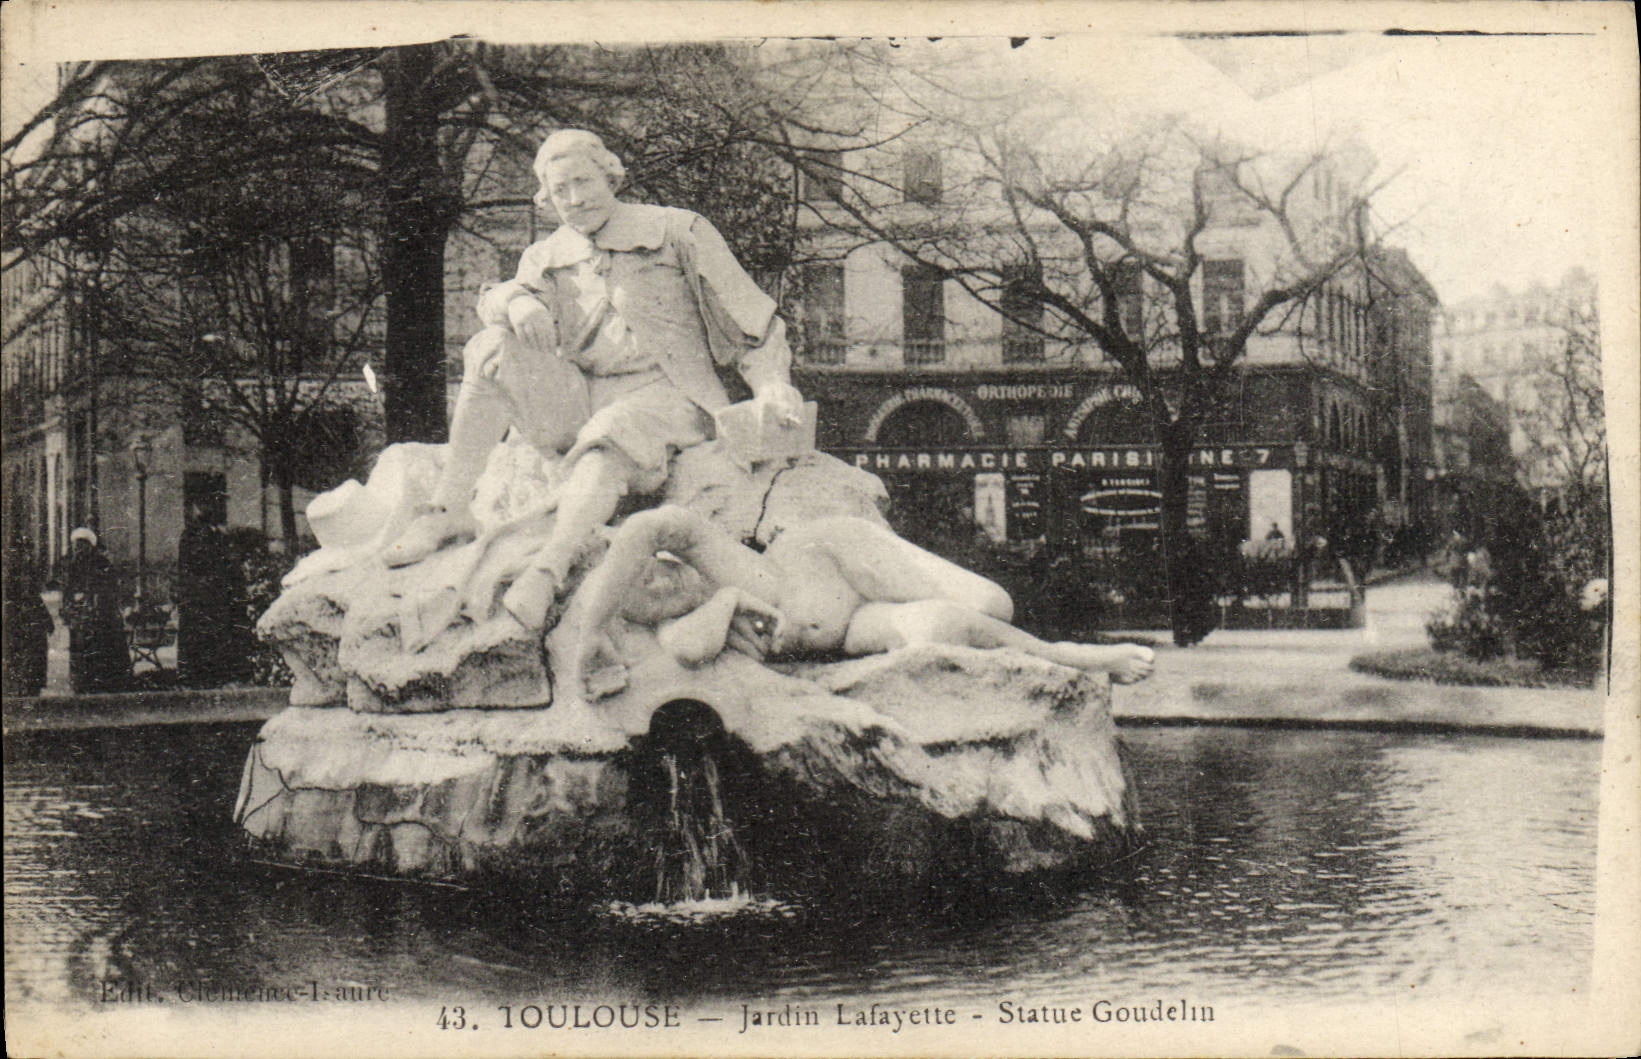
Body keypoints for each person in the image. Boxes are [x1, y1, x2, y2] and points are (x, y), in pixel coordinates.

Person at [384, 129, 804, 634]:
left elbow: (754, 328)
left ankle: (548, 571)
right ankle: (448, 509)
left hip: (668, 394)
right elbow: (495, 298)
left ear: (610, 175)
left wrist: (774, 385)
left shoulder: (677, 231)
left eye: (583, 182)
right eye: (560, 190)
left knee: (613, 432)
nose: (575, 199)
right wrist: (518, 302)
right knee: (488, 347)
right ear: (547, 196)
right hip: (579, 395)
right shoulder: (547, 254)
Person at [563, 505, 1156, 699]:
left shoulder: (706, 552)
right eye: (648, 597)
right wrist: (729, 603)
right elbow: (686, 646)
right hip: (847, 627)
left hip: (826, 556)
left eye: (655, 575)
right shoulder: (704, 614)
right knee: (945, 627)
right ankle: (1071, 656)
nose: (661, 588)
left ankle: (1068, 651)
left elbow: (650, 525)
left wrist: (590, 631)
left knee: (993, 601)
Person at [58, 527, 131, 693]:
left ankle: (110, 679)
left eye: (82, 545)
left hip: (102, 610)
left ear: (90, 546)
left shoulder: (101, 563)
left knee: (105, 644)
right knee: (80, 647)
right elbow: (67, 589)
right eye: (76, 546)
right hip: (81, 613)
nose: (79, 549)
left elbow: (111, 585)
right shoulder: (72, 565)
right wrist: (69, 606)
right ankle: (82, 681)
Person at [2, 540, 54, 697]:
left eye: (29, 551)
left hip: (31, 616)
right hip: (16, 617)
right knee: (17, 652)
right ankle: (19, 686)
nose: (27, 555)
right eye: (23, 551)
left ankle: (32, 685)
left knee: (36, 650)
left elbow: (35, 596)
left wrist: (47, 619)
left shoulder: (29, 570)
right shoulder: (11, 574)